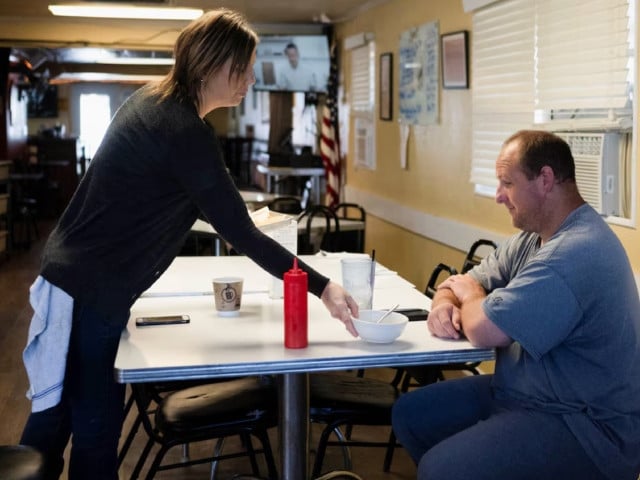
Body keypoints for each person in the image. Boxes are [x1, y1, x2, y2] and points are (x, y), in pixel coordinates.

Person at [19, 9, 359, 480]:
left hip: (76, 277)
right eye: (244, 67)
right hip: (89, 288)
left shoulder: (155, 104)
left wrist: (235, 218)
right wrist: (323, 288)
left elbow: (197, 204)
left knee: (56, 421)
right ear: (212, 66)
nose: (252, 79)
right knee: (93, 429)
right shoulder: (182, 129)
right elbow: (239, 233)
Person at [392, 130, 640, 480]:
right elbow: (465, 280)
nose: (498, 196)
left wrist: (471, 297)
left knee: (440, 469)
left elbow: (482, 328)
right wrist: (443, 303)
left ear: (545, 180)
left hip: (586, 427)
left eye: (507, 183)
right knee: (411, 414)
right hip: (522, 395)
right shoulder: (531, 238)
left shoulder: (577, 251)